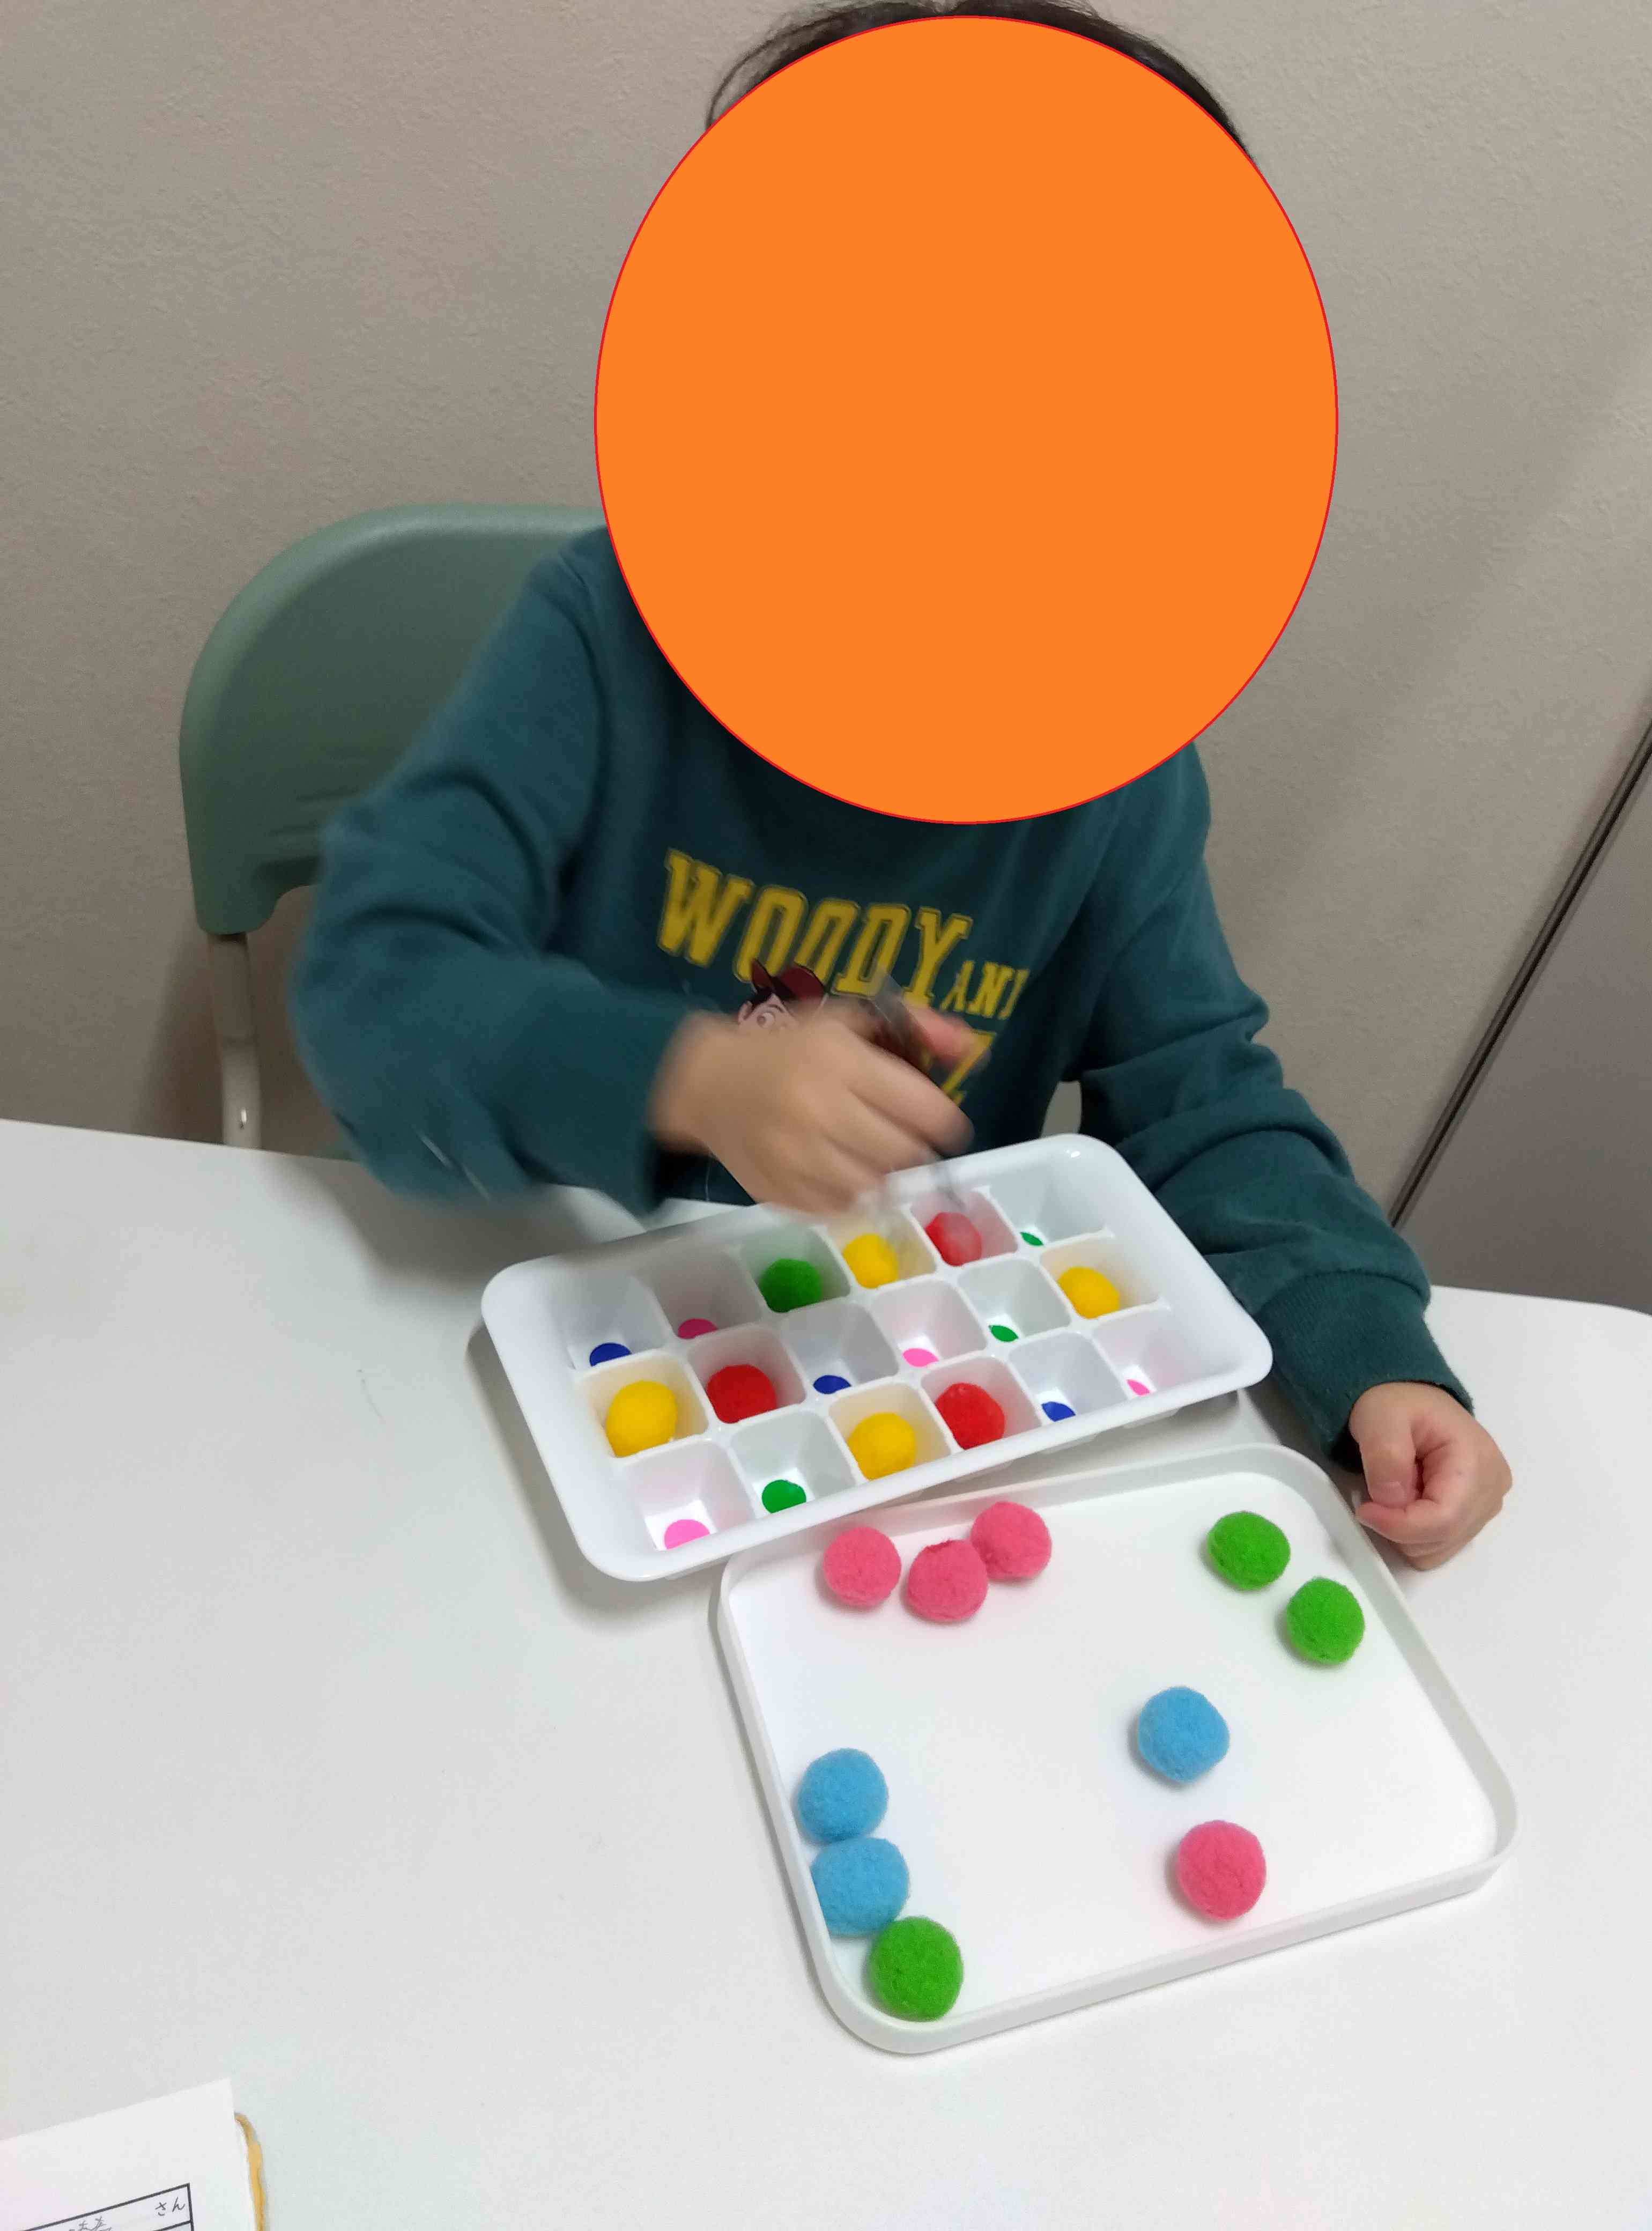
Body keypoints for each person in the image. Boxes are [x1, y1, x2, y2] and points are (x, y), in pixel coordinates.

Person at [291, 0, 1511, 1564]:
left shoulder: (1114, 769)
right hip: (532, 1349)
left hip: (886, 1396)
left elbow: (1203, 1104)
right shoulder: (606, 642)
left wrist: (1371, 1347)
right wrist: (686, 1080)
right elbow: (376, 983)